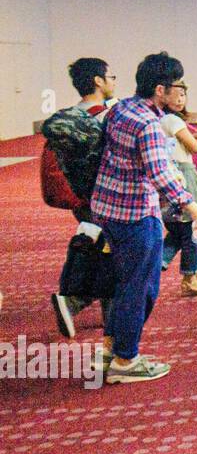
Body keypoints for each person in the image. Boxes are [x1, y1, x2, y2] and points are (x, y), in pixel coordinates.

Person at [90, 52, 197, 384]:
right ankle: (126, 360)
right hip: (135, 215)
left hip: (106, 209)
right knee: (141, 287)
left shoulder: (120, 109)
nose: (180, 92)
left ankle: (110, 348)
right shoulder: (148, 123)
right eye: (177, 86)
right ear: (160, 89)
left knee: (123, 282)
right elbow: (162, 176)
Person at [47, 58, 116, 338]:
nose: (114, 81)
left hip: (81, 198)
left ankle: (99, 312)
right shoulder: (107, 115)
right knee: (115, 256)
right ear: (98, 81)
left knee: (100, 249)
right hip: (110, 197)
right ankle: (74, 301)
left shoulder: (68, 119)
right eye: (111, 76)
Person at [158, 80, 197, 296]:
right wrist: (195, 140)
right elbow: (193, 148)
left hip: (172, 175)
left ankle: (158, 263)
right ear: (163, 94)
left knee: (178, 229)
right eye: (177, 94)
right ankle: (190, 277)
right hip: (184, 175)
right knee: (196, 227)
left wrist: (195, 136)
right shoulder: (172, 120)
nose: (181, 98)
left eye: (184, 94)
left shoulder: (159, 119)